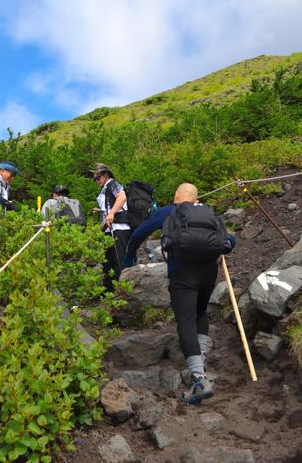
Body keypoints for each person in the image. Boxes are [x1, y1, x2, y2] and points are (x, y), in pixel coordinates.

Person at [123, 182, 235, 404]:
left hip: (182, 273)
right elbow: (231, 241)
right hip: (208, 271)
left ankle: (199, 381)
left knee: (185, 322)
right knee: (200, 313)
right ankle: (200, 363)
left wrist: (129, 256)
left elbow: (139, 233)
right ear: (195, 198)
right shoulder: (209, 213)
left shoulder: (169, 211)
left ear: (177, 196)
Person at [89, 163, 131, 291]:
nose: (96, 181)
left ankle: (124, 291)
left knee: (119, 261)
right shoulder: (106, 187)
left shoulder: (113, 183)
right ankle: (109, 291)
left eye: (98, 178)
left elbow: (122, 196)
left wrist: (112, 213)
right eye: (94, 179)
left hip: (118, 228)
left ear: (105, 175)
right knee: (108, 262)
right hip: (109, 229)